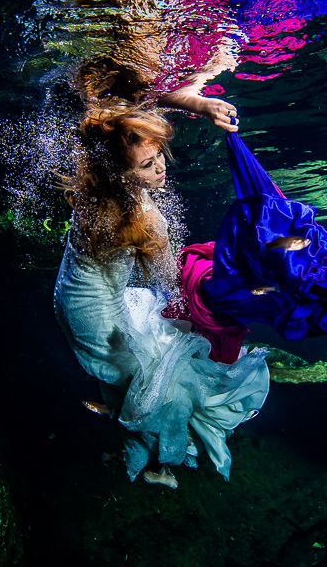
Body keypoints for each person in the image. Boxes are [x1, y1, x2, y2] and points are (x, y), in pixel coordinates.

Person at [53, 104, 269, 488]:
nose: (160, 169)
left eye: (158, 156)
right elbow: (172, 282)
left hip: (69, 298)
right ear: (120, 172)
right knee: (159, 384)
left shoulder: (95, 186)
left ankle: (141, 455)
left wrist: (196, 102)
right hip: (97, 315)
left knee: (127, 377)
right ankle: (155, 464)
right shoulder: (146, 222)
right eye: (146, 165)